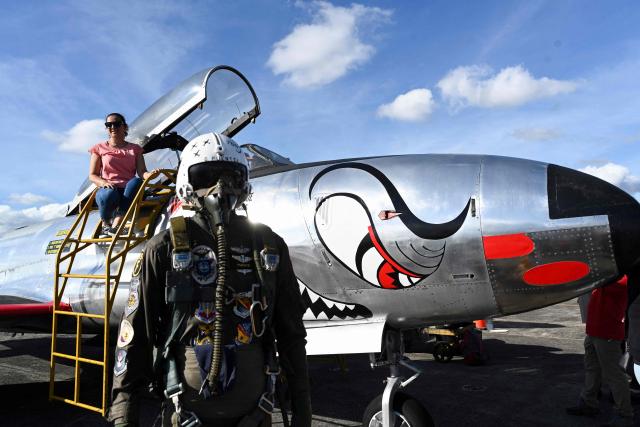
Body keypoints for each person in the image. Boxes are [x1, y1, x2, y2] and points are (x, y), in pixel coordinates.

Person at [108, 133, 311, 427]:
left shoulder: (267, 245)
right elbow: (133, 339)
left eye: (232, 177)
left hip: (255, 416)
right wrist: (124, 419)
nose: (221, 188)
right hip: (185, 416)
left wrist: (302, 414)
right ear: (187, 183)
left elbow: (291, 334)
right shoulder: (164, 247)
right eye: (207, 176)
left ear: (244, 184)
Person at [566, 277, 634, 427]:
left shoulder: (621, 278)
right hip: (594, 329)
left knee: (614, 374)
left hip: (607, 331)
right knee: (592, 368)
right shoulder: (606, 276)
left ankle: (625, 413)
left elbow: (614, 285)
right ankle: (589, 403)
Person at [89, 113, 157, 235]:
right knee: (108, 194)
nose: (112, 127)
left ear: (125, 127)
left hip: (128, 190)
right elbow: (92, 175)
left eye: (116, 124)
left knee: (136, 181)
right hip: (109, 189)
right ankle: (106, 222)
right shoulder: (99, 148)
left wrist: (150, 175)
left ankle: (116, 225)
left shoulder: (135, 149)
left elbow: (142, 172)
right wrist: (104, 182)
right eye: (108, 124)